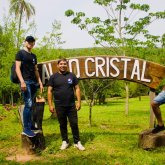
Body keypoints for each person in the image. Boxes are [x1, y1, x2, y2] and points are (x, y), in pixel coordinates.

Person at [47, 58, 85, 150]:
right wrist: (50, 104)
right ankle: (65, 141)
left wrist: (79, 102)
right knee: (62, 124)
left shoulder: (72, 76)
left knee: (74, 124)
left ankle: (77, 142)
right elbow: (49, 91)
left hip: (71, 105)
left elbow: (77, 88)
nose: (63, 65)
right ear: (58, 65)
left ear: (67, 65)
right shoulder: (53, 77)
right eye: (61, 64)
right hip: (59, 105)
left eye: (64, 64)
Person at [15, 36, 43, 137]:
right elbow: (17, 68)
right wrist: (22, 81)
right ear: (25, 42)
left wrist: (39, 82)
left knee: (32, 105)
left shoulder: (34, 56)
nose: (31, 43)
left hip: (33, 82)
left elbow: (36, 70)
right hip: (25, 81)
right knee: (29, 104)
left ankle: (31, 125)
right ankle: (26, 128)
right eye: (29, 42)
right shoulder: (20, 53)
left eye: (32, 42)